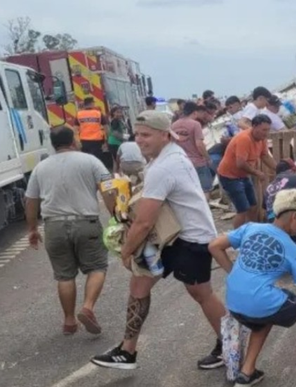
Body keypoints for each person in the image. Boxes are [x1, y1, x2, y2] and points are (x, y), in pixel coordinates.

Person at [90, 110, 226, 370]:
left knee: (201, 293)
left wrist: (126, 251)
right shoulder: (166, 156)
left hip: (191, 238)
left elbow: (143, 222)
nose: (140, 140)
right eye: (137, 134)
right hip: (170, 236)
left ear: (165, 135)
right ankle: (127, 350)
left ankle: (230, 343)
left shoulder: (164, 166)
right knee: (139, 284)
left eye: (146, 135)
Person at [209, 189, 296, 387]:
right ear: (295, 216)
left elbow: (214, 246)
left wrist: (233, 273)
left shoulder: (251, 228)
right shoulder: (293, 249)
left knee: (268, 311)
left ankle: (246, 374)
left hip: (234, 301)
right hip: (258, 302)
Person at [24, 126, 115, 335]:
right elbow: (108, 190)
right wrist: (116, 217)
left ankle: (69, 320)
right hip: (86, 223)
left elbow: (31, 201)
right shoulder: (91, 161)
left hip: (54, 226)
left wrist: (32, 229)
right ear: (74, 140)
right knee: (97, 267)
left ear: (53, 144)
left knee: (64, 276)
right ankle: (88, 307)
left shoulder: (41, 167)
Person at [217, 114, 277, 228]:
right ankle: (236, 239)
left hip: (243, 176)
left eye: (268, 130)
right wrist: (257, 173)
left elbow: (265, 156)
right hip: (230, 176)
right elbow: (241, 163)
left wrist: (278, 169)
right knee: (242, 210)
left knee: (253, 206)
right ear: (254, 126)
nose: (266, 133)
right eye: (264, 130)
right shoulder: (244, 139)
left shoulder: (261, 139)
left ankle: (252, 231)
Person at [172, 102, 214, 201]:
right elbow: (199, 144)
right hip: (198, 163)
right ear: (195, 112)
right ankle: (203, 213)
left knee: (188, 193)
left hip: (181, 163)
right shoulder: (195, 124)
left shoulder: (173, 125)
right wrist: (207, 158)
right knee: (205, 190)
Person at [76, 97, 110, 169]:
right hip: (96, 141)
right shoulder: (98, 114)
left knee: (86, 159)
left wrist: (77, 141)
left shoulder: (79, 114)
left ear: (85, 104)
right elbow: (106, 128)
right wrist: (107, 139)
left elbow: (75, 129)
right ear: (92, 103)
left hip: (84, 141)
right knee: (97, 159)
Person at [107, 106, 128, 171]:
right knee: (118, 162)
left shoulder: (116, 120)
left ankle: (116, 176)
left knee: (116, 162)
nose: (120, 114)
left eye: (120, 112)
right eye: (117, 112)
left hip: (114, 143)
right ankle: (118, 177)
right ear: (113, 113)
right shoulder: (115, 121)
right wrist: (124, 138)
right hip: (115, 144)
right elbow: (115, 133)